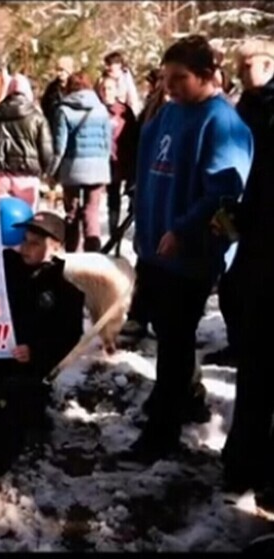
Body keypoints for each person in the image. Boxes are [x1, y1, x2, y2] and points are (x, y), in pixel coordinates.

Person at [126, 35, 253, 463]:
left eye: (180, 78)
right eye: (165, 79)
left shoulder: (222, 123)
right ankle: (184, 400)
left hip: (189, 255)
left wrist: (183, 229)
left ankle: (162, 432)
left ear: (207, 76)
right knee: (166, 334)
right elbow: (148, 171)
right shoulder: (168, 112)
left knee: (175, 343)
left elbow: (225, 192)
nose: (170, 87)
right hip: (156, 248)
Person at [0, 211, 84, 427]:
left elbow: (68, 335)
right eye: (24, 240)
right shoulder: (6, 265)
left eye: (35, 243)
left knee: (18, 404)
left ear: (56, 247)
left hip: (29, 366)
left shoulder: (66, 292)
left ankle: (29, 412)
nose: (25, 248)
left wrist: (35, 351)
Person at [220, 40, 274, 510]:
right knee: (254, 367)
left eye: (248, 65)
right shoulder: (247, 109)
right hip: (253, 254)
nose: (241, 72)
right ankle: (243, 461)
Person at [48, 70, 112, 253]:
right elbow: (107, 143)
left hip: (72, 168)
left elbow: (59, 147)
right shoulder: (101, 108)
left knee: (72, 213)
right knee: (91, 212)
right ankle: (93, 252)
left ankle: (72, 253)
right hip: (98, 168)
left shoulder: (63, 110)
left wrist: (52, 172)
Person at [0, 73, 54, 209]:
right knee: (27, 220)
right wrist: (47, 171)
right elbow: (46, 150)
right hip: (27, 177)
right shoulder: (37, 117)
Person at [96, 74, 139, 241]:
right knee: (105, 197)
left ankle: (119, 229)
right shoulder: (96, 109)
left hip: (120, 159)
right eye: (104, 89)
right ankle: (110, 230)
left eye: (110, 88)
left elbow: (133, 136)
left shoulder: (124, 111)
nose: (106, 92)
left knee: (120, 195)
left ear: (116, 91)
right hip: (101, 159)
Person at [103, 51, 142, 116]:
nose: (107, 68)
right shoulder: (104, 78)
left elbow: (133, 100)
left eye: (109, 64)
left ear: (119, 64)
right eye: (106, 65)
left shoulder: (126, 80)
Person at [41, 55, 74, 130]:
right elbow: (45, 105)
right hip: (55, 125)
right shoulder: (52, 88)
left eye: (62, 70)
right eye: (58, 70)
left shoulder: (75, 86)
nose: (59, 73)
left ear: (69, 71)